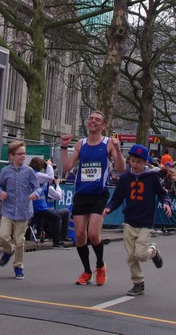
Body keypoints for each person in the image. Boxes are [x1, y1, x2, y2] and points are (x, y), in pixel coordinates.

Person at [60, 110, 125, 286]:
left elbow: (121, 169)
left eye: (97, 119)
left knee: (93, 234)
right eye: (91, 119)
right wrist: (64, 148)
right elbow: (67, 167)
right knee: (80, 235)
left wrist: (118, 150)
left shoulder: (108, 143)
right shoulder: (81, 144)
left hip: (99, 195)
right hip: (81, 194)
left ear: (103, 125)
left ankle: (100, 265)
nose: (93, 121)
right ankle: (87, 271)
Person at [103, 144, 170, 296]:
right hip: (129, 221)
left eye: (138, 162)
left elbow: (162, 194)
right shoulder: (125, 178)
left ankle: (153, 251)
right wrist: (108, 208)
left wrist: (166, 203)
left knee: (140, 254)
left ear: (145, 162)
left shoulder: (152, 177)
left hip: (145, 222)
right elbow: (117, 198)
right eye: (132, 161)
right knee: (131, 256)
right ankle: (138, 282)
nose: (135, 164)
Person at [0, 141, 41, 280]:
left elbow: (37, 187)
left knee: (19, 240)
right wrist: (0, 193)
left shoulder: (29, 171)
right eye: (20, 154)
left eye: (24, 153)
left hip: (23, 210)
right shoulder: (5, 171)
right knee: (3, 236)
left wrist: (35, 194)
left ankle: (18, 266)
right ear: (11, 156)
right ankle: (9, 250)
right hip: (8, 210)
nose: (23, 156)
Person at [28, 157, 70, 247]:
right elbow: (50, 177)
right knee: (56, 218)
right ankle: (57, 242)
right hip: (39, 208)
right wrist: (49, 165)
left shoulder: (34, 175)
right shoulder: (36, 175)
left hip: (37, 207)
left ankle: (39, 236)